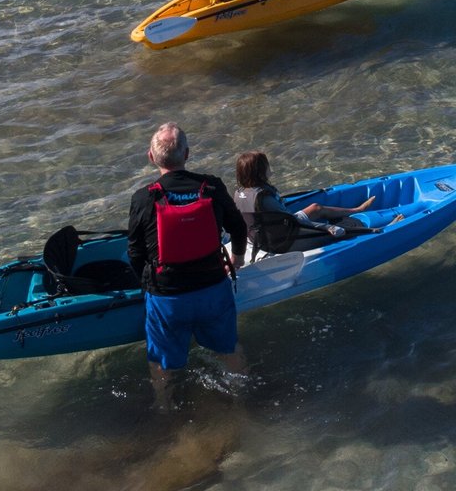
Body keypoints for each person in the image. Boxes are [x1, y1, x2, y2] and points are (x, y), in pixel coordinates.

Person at [127, 123, 248, 406]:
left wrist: (146, 288)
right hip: (213, 289)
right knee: (229, 349)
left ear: (151, 157)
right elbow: (238, 227)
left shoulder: (143, 197)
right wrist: (237, 259)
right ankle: (244, 399)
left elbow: (135, 253)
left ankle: (165, 409)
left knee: (163, 362)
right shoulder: (212, 186)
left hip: (168, 297)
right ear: (188, 154)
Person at [233, 151, 377, 255]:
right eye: (267, 166)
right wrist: (327, 227)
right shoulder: (265, 199)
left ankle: (357, 209)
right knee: (347, 227)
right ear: (260, 172)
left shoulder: (239, 194)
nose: (270, 169)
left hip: (265, 237)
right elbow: (294, 221)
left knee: (316, 208)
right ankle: (375, 227)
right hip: (286, 241)